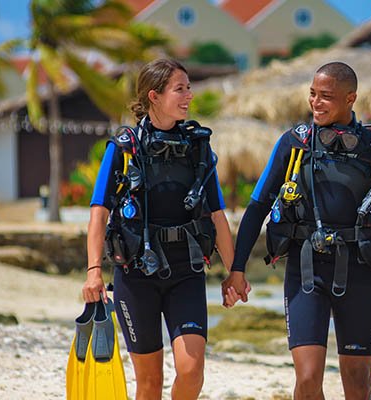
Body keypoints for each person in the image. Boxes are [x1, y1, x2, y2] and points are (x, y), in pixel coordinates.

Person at [225, 61, 371, 400]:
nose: (316, 103)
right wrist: (237, 268)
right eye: (313, 94)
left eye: (326, 96)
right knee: (308, 378)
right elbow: (256, 208)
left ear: (350, 98)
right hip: (305, 271)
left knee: (358, 384)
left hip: (360, 271)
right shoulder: (294, 144)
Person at [81, 58, 240, 400]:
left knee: (191, 371)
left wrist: (235, 270)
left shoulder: (198, 147)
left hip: (187, 271)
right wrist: (94, 271)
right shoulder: (124, 147)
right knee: (149, 383)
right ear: (154, 96)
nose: (189, 96)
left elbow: (216, 215)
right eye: (180, 89)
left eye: (189, 88)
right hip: (136, 275)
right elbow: (99, 212)